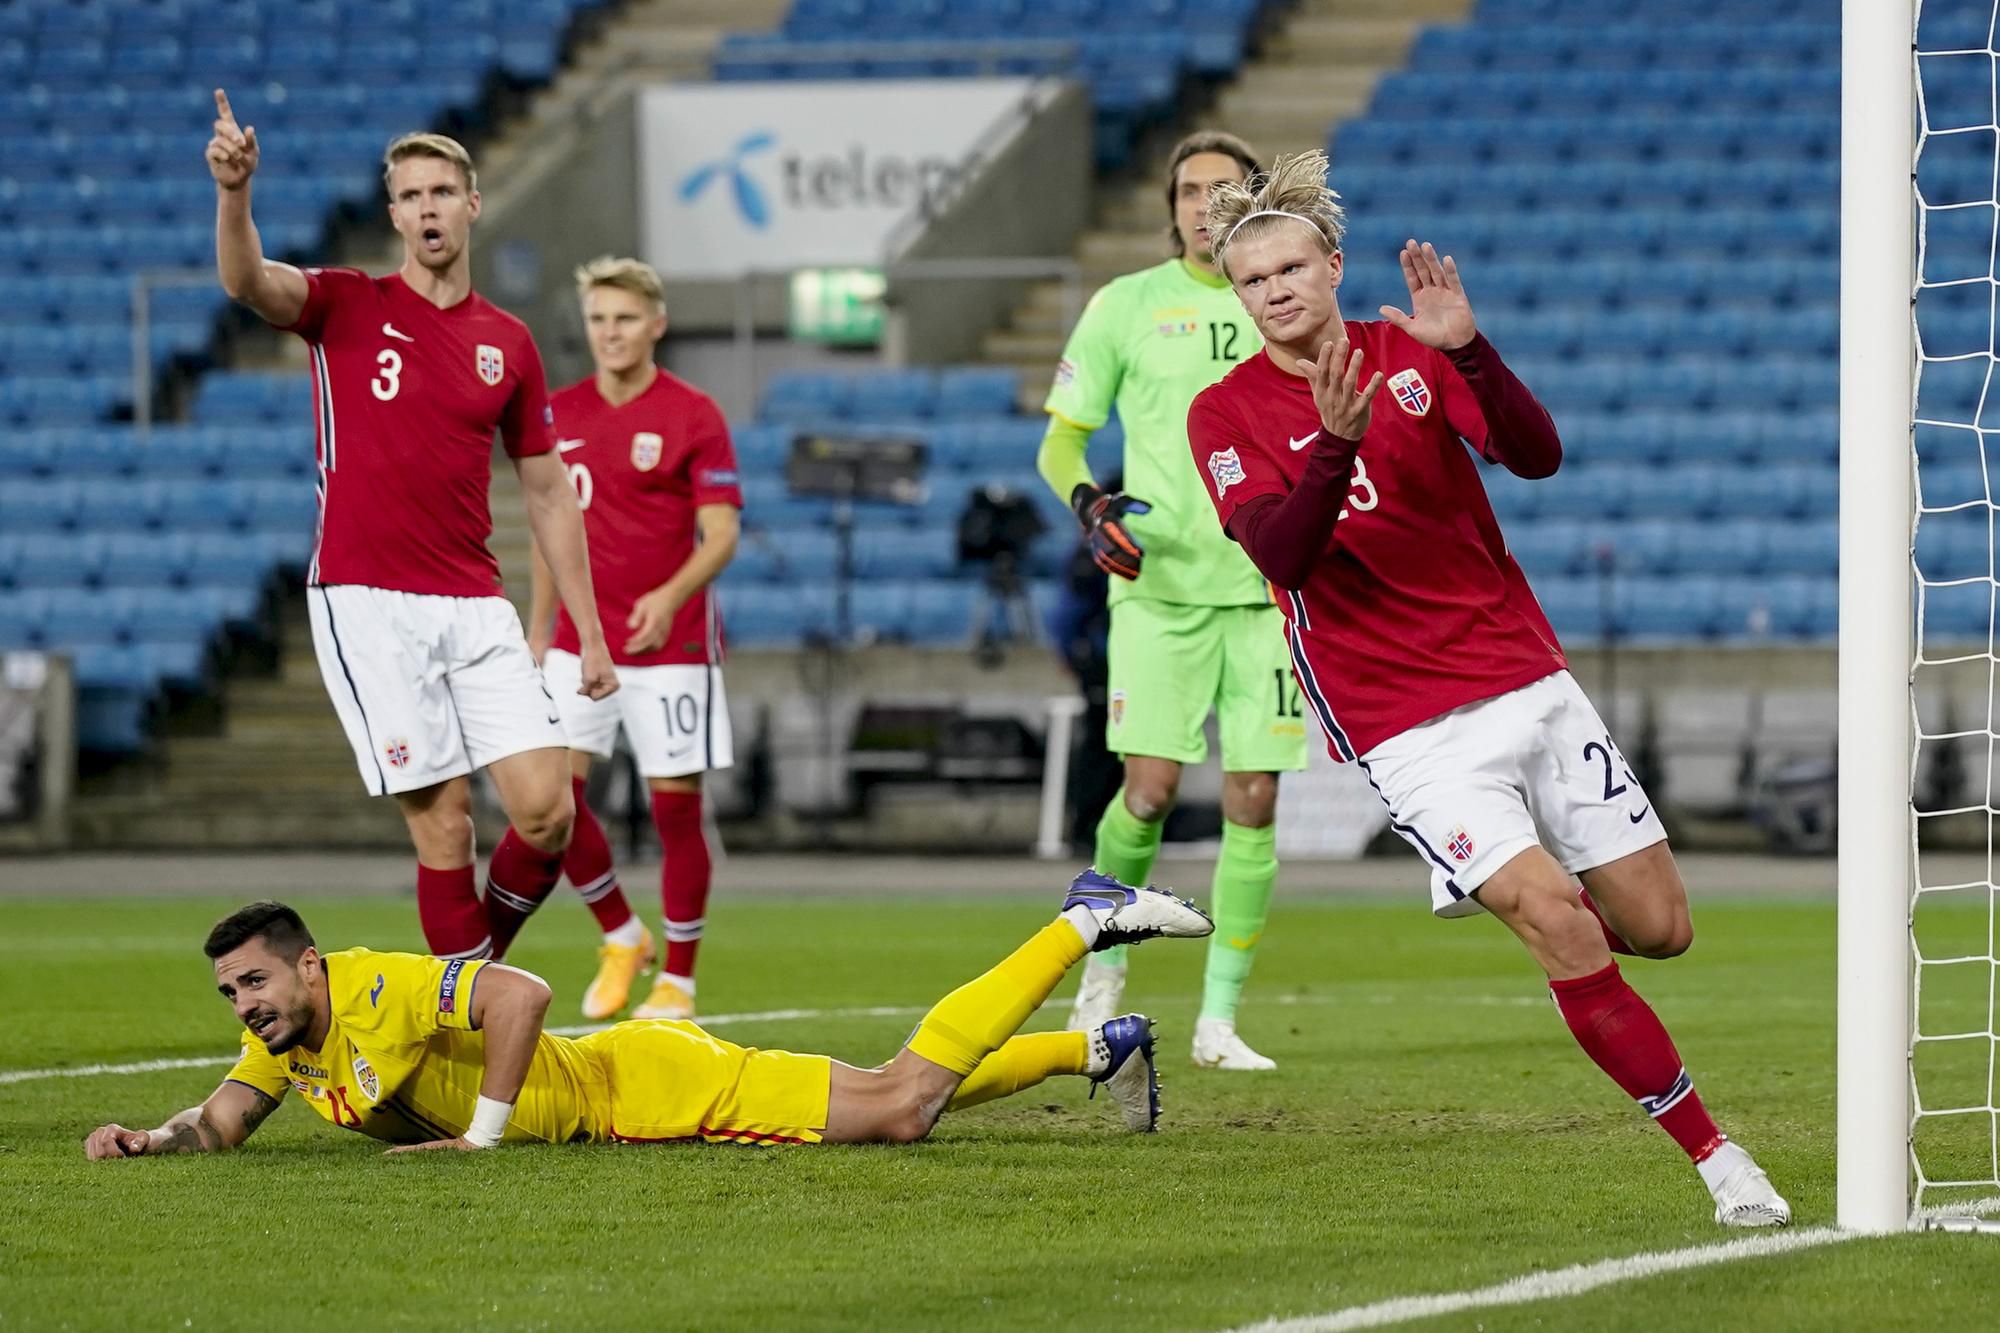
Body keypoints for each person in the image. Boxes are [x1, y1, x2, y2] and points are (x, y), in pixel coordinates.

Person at [1187, 150, 1790, 1227]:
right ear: (1236, 295)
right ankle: (1718, 1160)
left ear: (1333, 264)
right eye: (1250, 279)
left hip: (1521, 675)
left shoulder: (1408, 357)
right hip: (1403, 723)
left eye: (1289, 267)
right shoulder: (1222, 413)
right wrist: (1330, 447)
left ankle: (1511, 862)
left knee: (1656, 929)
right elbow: (1280, 556)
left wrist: (1470, 354)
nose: (1273, 290)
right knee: (1559, 922)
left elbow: (1535, 454)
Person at [204, 90, 617, 964]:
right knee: (446, 826)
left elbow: (548, 491)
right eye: (411, 195)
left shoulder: (508, 342)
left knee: (548, 811)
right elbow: (247, 282)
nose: (427, 208)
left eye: (442, 192)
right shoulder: (345, 303)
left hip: (474, 599)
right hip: (369, 597)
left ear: (472, 203)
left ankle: (469, 978)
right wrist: (235, 194)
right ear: (393, 213)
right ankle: (468, 1014)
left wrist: (589, 631)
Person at [81, 879, 1211, 1160]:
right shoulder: (285, 1037)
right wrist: (157, 1135)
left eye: (255, 986)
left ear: (309, 966)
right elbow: (227, 1119)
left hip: (641, 1087)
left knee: (900, 1104)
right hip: (631, 1085)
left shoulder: (374, 986)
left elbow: (520, 993)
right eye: (232, 993)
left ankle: (1077, 924)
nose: (246, 1007)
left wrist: (478, 1135)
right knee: (890, 1093)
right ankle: (1094, 1046)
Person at [1039, 131, 1309, 1069]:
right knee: (1147, 793)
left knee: (1254, 797)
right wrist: (1087, 504)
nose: (1203, 204)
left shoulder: (1287, 299)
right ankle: (1101, 969)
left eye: (1222, 189)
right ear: (1171, 205)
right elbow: (1061, 443)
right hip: (1157, 590)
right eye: (1190, 189)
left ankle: (1219, 1019)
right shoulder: (1126, 307)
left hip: (1270, 588)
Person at [513, 256, 743, 1023]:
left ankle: (678, 979)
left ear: (656, 324)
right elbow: (551, 533)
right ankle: (620, 932)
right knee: (552, 804)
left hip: (672, 643)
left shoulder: (694, 413)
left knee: (675, 810)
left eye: (624, 318)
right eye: (598, 319)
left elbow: (722, 534)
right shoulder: (558, 412)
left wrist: (669, 593)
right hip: (581, 643)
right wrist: (541, 631)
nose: (610, 332)